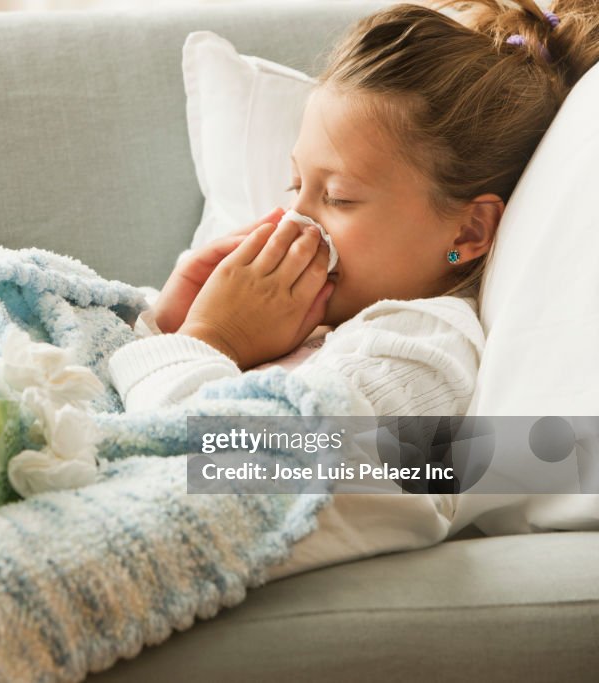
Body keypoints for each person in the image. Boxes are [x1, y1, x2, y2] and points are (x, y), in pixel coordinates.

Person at [107, 0, 599, 577]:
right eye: (296, 185)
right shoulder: (321, 322)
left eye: (338, 198)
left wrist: (210, 339)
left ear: (468, 230)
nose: (296, 220)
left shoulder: (420, 352)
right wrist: (165, 321)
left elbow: (236, 469)